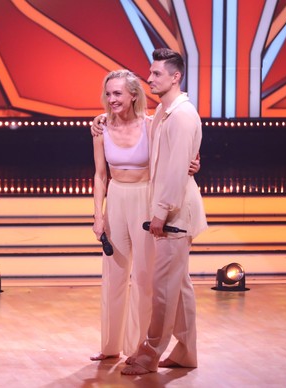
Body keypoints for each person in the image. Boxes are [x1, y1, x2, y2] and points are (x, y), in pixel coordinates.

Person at [90, 70, 200, 362]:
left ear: (133, 95)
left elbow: (173, 157)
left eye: (118, 94)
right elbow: (100, 176)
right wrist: (98, 216)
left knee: (144, 276)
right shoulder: (101, 129)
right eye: (108, 94)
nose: (112, 100)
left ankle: (139, 346)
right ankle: (110, 345)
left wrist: (193, 163)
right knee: (114, 275)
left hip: (145, 198)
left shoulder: (152, 126)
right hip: (116, 200)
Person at [121, 48, 208, 375]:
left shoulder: (182, 115)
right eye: (150, 72)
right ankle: (185, 351)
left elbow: (174, 171)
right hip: (171, 210)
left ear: (176, 77)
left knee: (164, 287)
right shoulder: (164, 112)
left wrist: (160, 213)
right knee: (179, 284)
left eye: (156, 73)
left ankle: (150, 353)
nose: (150, 78)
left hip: (175, 215)